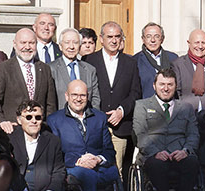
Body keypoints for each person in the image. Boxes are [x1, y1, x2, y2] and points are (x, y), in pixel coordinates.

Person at [47, 79, 121, 191]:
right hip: (72, 167)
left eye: (82, 95)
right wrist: (80, 160)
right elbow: (56, 152)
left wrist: (97, 159)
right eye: (74, 95)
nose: (78, 99)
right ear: (66, 96)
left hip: (98, 166)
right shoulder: (54, 120)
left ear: (88, 97)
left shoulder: (99, 117)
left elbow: (109, 151)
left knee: (114, 172)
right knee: (88, 176)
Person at [132, 68, 201, 191]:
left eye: (170, 84)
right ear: (154, 85)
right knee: (157, 165)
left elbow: (193, 134)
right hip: (153, 156)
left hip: (180, 154)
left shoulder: (186, 108)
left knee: (193, 162)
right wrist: (155, 152)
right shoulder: (142, 106)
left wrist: (186, 150)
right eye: (162, 84)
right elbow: (139, 134)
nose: (166, 88)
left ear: (175, 86)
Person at [9, 100, 82, 191]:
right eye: (28, 117)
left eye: (38, 117)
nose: (34, 121)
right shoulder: (10, 139)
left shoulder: (52, 141)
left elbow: (59, 171)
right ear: (19, 119)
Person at [83, 21, 141, 172]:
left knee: (117, 170)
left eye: (117, 36)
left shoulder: (130, 63)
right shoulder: (89, 60)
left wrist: (122, 110)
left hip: (120, 127)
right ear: (101, 39)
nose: (114, 40)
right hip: (94, 125)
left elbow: (135, 93)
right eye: (110, 37)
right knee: (94, 168)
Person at [0, 28, 58, 124]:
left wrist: (46, 124)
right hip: (13, 129)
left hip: (39, 129)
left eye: (31, 43)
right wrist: (3, 121)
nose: (27, 47)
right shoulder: (3, 68)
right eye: (23, 42)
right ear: (14, 44)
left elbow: (50, 104)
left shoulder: (45, 69)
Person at [173, 29, 205, 115]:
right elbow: (177, 93)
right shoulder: (178, 64)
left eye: (203, 43)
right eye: (196, 42)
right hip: (185, 114)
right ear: (189, 43)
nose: (200, 46)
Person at [49, 27, 101, 110]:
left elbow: (95, 99)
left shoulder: (90, 70)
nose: (71, 47)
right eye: (67, 42)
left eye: (75, 43)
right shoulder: (51, 69)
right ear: (60, 46)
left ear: (80, 46)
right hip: (61, 120)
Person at [134, 22, 174, 97]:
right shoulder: (135, 61)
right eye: (148, 36)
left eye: (157, 36)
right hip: (145, 105)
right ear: (143, 39)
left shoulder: (173, 58)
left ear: (162, 39)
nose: (153, 40)